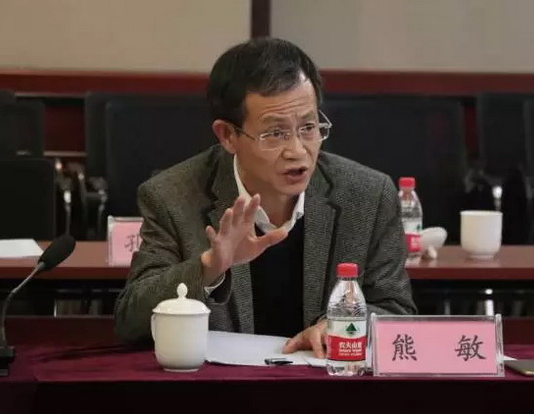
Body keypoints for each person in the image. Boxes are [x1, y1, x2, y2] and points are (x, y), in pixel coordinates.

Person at [114, 37, 417, 357]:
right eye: (275, 133)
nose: (297, 151)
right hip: (219, 385)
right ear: (228, 135)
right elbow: (130, 321)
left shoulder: (368, 195)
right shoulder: (172, 197)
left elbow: (395, 310)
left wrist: (340, 324)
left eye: (308, 127)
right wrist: (210, 267)